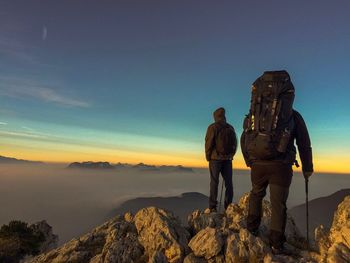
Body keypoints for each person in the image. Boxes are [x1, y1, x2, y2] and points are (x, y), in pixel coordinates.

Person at [241, 70, 313, 253]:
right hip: (281, 166)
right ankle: (276, 243)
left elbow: (245, 136)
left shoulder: (256, 115)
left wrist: (250, 160)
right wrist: (307, 168)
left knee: (256, 194)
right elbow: (304, 143)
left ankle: (251, 229)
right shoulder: (293, 116)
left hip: (258, 163)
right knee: (278, 204)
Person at [205, 107, 237, 212]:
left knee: (214, 182)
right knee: (229, 183)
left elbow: (208, 143)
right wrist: (231, 155)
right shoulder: (230, 128)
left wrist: (208, 156)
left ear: (215, 116)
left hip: (215, 159)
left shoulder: (213, 127)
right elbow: (235, 143)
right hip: (228, 159)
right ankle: (228, 207)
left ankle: (212, 207)